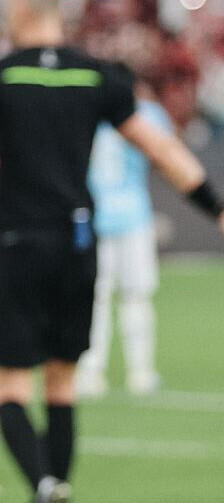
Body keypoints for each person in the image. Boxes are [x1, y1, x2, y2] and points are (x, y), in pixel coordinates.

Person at [0, 0, 224, 503]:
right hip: (77, 244)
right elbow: (162, 150)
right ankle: (59, 487)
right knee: (62, 383)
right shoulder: (96, 75)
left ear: (19, 8)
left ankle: (44, 486)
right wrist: (215, 208)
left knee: (9, 385)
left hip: (21, 242)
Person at [77, 78, 172, 398]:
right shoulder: (147, 113)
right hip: (133, 216)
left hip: (96, 215)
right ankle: (140, 371)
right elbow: (164, 153)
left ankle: (91, 371)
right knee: (136, 296)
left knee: (96, 298)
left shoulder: (87, 109)